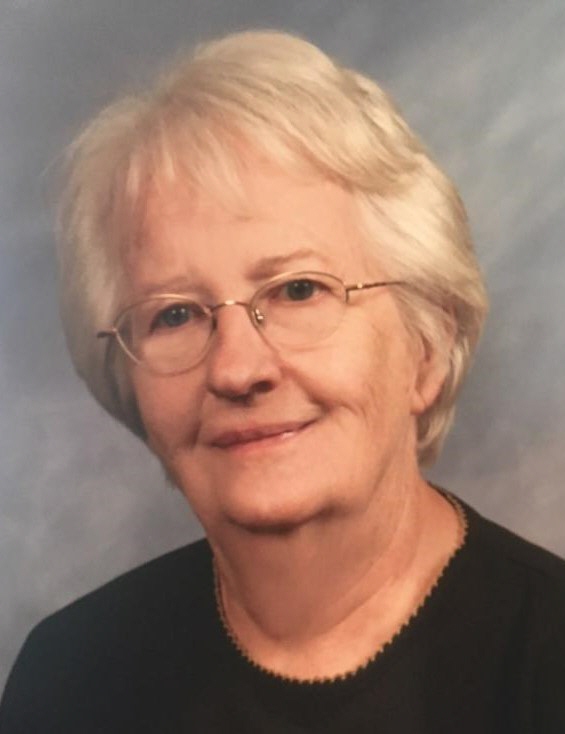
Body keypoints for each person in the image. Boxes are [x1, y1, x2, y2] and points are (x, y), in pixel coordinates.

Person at [1, 29, 564, 734]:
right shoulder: (67, 678)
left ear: (425, 349)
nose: (237, 369)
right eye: (175, 314)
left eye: (299, 290)